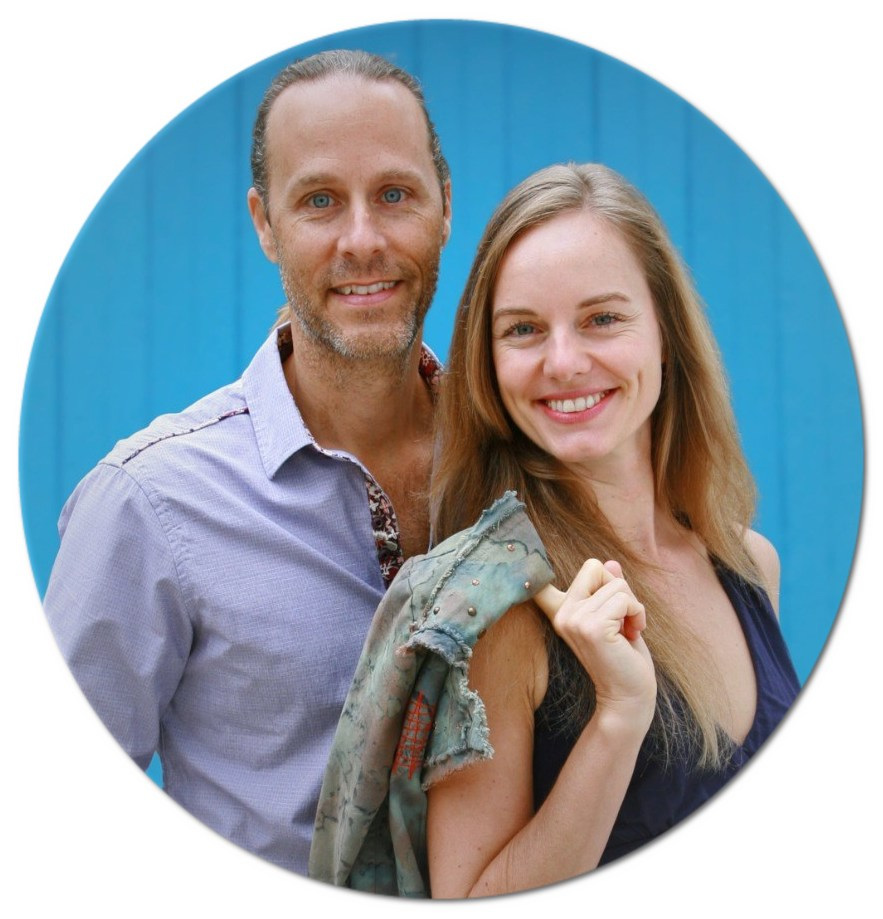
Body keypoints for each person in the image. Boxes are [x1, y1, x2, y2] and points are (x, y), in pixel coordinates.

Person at [42, 49, 452, 875]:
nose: (363, 240)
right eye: (319, 201)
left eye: (395, 194)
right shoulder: (148, 502)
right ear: (265, 224)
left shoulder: (526, 462)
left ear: (443, 206)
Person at [425, 162, 800, 896]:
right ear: (487, 362)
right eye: (523, 329)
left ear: (665, 334)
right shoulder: (500, 607)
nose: (564, 362)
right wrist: (619, 718)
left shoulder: (749, 564)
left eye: (601, 318)